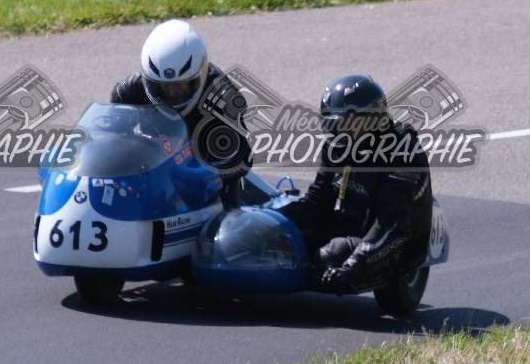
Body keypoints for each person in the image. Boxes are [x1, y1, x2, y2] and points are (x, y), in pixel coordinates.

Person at [278, 74, 433, 292]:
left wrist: (352, 266)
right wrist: (275, 220)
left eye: (344, 123)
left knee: (328, 258)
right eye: (332, 122)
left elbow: (391, 226)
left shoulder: (403, 152)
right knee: (284, 243)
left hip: (399, 239)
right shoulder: (338, 145)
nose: (337, 130)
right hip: (353, 225)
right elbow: (316, 200)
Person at [112, 19, 250, 203]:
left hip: (206, 187)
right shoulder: (128, 93)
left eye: (180, 86)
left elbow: (242, 159)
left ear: (199, 76)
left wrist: (205, 176)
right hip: (151, 183)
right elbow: (111, 144)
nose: (172, 94)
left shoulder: (223, 99)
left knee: (229, 210)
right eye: (163, 86)